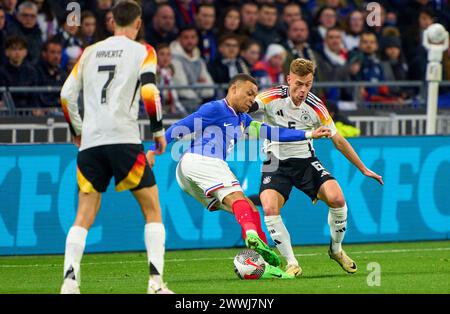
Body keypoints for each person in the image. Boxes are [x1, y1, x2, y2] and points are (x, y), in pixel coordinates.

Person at [151, 73, 331, 277]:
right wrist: (153, 149)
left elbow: (273, 133)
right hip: (201, 160)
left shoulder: (244, 120)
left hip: (187, 174)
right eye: (249, 94)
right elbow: (181, 127)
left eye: (255, 96)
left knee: (250, 209)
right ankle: (253, 236)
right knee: (240, 201)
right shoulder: (216, 108)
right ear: (233, 89)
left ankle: (263, 256)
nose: (252, 100)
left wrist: (308, 134)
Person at [59, 0, 173, 294]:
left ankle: (69, 283)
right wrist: (158, 131)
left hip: (92, 144)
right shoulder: (143, 51)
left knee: (83, 215)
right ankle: (155, 284)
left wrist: (78, 131)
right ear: (137, 23)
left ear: (112, 22)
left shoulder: (89, 52)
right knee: (152, 211)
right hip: (124, 140)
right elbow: (149, 90)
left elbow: (66, 94)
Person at [248, 58, 384, 277]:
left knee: (337, 199)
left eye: (308, 85)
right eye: (299, 84)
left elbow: (338, 140)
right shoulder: (271, 97)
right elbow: (246, 106)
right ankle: (291, 263)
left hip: (306, 161)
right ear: (289, 79)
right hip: (275, 163)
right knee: (270, 207)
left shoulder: (316, 106)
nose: (303, 90)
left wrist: (363, 168)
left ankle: (336, 250)